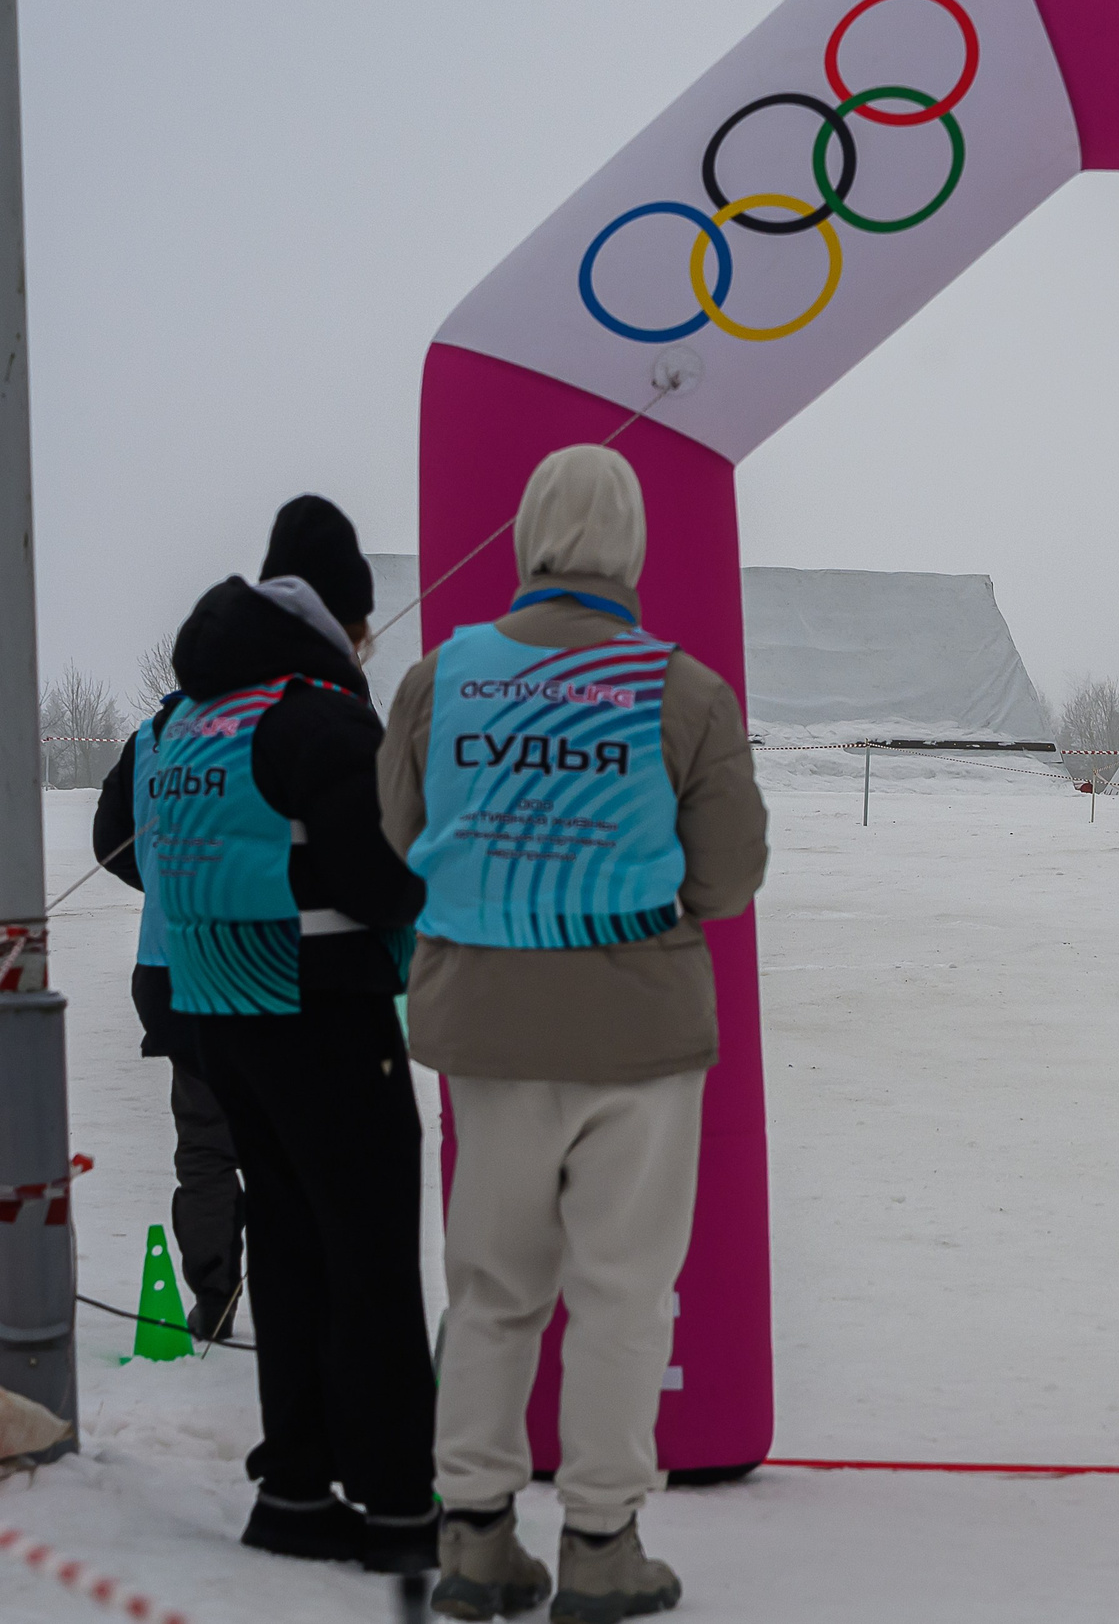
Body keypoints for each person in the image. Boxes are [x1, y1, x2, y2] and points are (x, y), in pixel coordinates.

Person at [381, 445, 768, 1622]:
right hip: (636, 1033)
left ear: (528, 535)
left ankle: (476, 1540)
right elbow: (731, 873)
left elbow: (402, 835)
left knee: (490, 1288)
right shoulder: (683, 689)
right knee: (621, 1293)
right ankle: (602, 1542)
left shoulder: (442, 679)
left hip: (486, 1032)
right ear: (633, 544)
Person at [153, 496, 438, 1570]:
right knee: (367, 1253)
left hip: (221, 1011)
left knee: (288, 1244)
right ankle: (402, 1503)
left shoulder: (191, 711)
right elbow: (380, 881)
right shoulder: (321, 714)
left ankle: (295, 1485)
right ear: (343, 616)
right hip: (324, 1008)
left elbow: (146, 843)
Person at [94, 686, 247, 1343]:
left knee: (206, 1143)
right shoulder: (272, 726)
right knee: (287, 1134)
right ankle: (300, 1290)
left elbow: (109, 841)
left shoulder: (151, 738)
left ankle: (214, 1298)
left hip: (171, 962)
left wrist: (160, 877)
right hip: (265, 959)